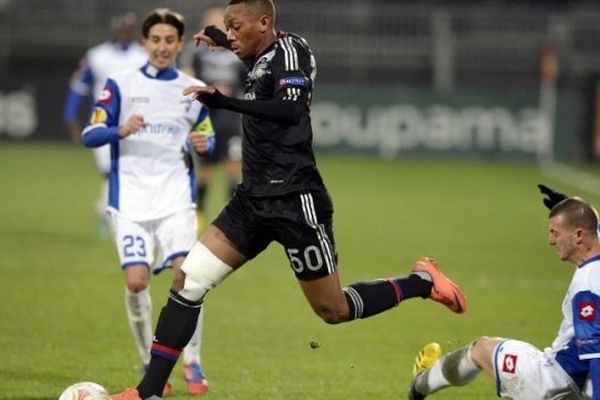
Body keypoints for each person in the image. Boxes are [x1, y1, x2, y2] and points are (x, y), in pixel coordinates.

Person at [110, 1, 467, 399]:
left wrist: (224, 101)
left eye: (235, 27)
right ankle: (148, 393)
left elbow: (289, 108)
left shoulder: (293, 51)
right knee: (187, 281)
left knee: (334, 310)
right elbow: (258, 69)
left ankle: (422, 281)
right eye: (225, 28)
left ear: (264, 23)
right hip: (252, 201)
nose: (229, 34)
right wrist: (223, 43)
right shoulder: (260, 56)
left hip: (296, 201)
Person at [80, 8, 213, 397]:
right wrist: (119, 129)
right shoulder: (120, 85)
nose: (162, 47)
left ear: (179, 44)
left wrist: (205, 143)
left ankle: (192, 359)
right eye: (155, 40)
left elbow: (206, 135)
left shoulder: (193, 89)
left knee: (188, 277)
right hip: (131, 202)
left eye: (169, 40)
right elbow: (91, 133)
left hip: (175, 199)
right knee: (137, 282)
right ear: (145, 43)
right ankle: (147, 361)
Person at [408, 194, 600, 400]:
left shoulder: (587, 286)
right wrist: (572, 207)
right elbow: (591, 226)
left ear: (578, 235)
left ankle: (419, 385)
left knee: (481, 350)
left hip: (554, 381)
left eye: (555, 233)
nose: (551, 240)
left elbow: (596, 352)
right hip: (577, 384)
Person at [63, 12, 148, 238]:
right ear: (114, 28)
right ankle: (112, 218)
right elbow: (79, 86)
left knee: (131, 173)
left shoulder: (142, 56)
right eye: (121, 26)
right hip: (103, 122)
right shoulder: (97, 56)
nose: (124, 30)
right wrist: (70, 116)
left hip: (134, 122)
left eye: (127, 26)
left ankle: (106, 210)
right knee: (109, 170)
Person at [178, 4, 245, 227]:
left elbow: (251, 78)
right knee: (205, 167)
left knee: (233, 165)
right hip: (207, 115)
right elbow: (186, 77)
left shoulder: (239, 50)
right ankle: (200, 213)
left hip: (231, 115)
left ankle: (234, 216)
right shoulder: (195, 50)